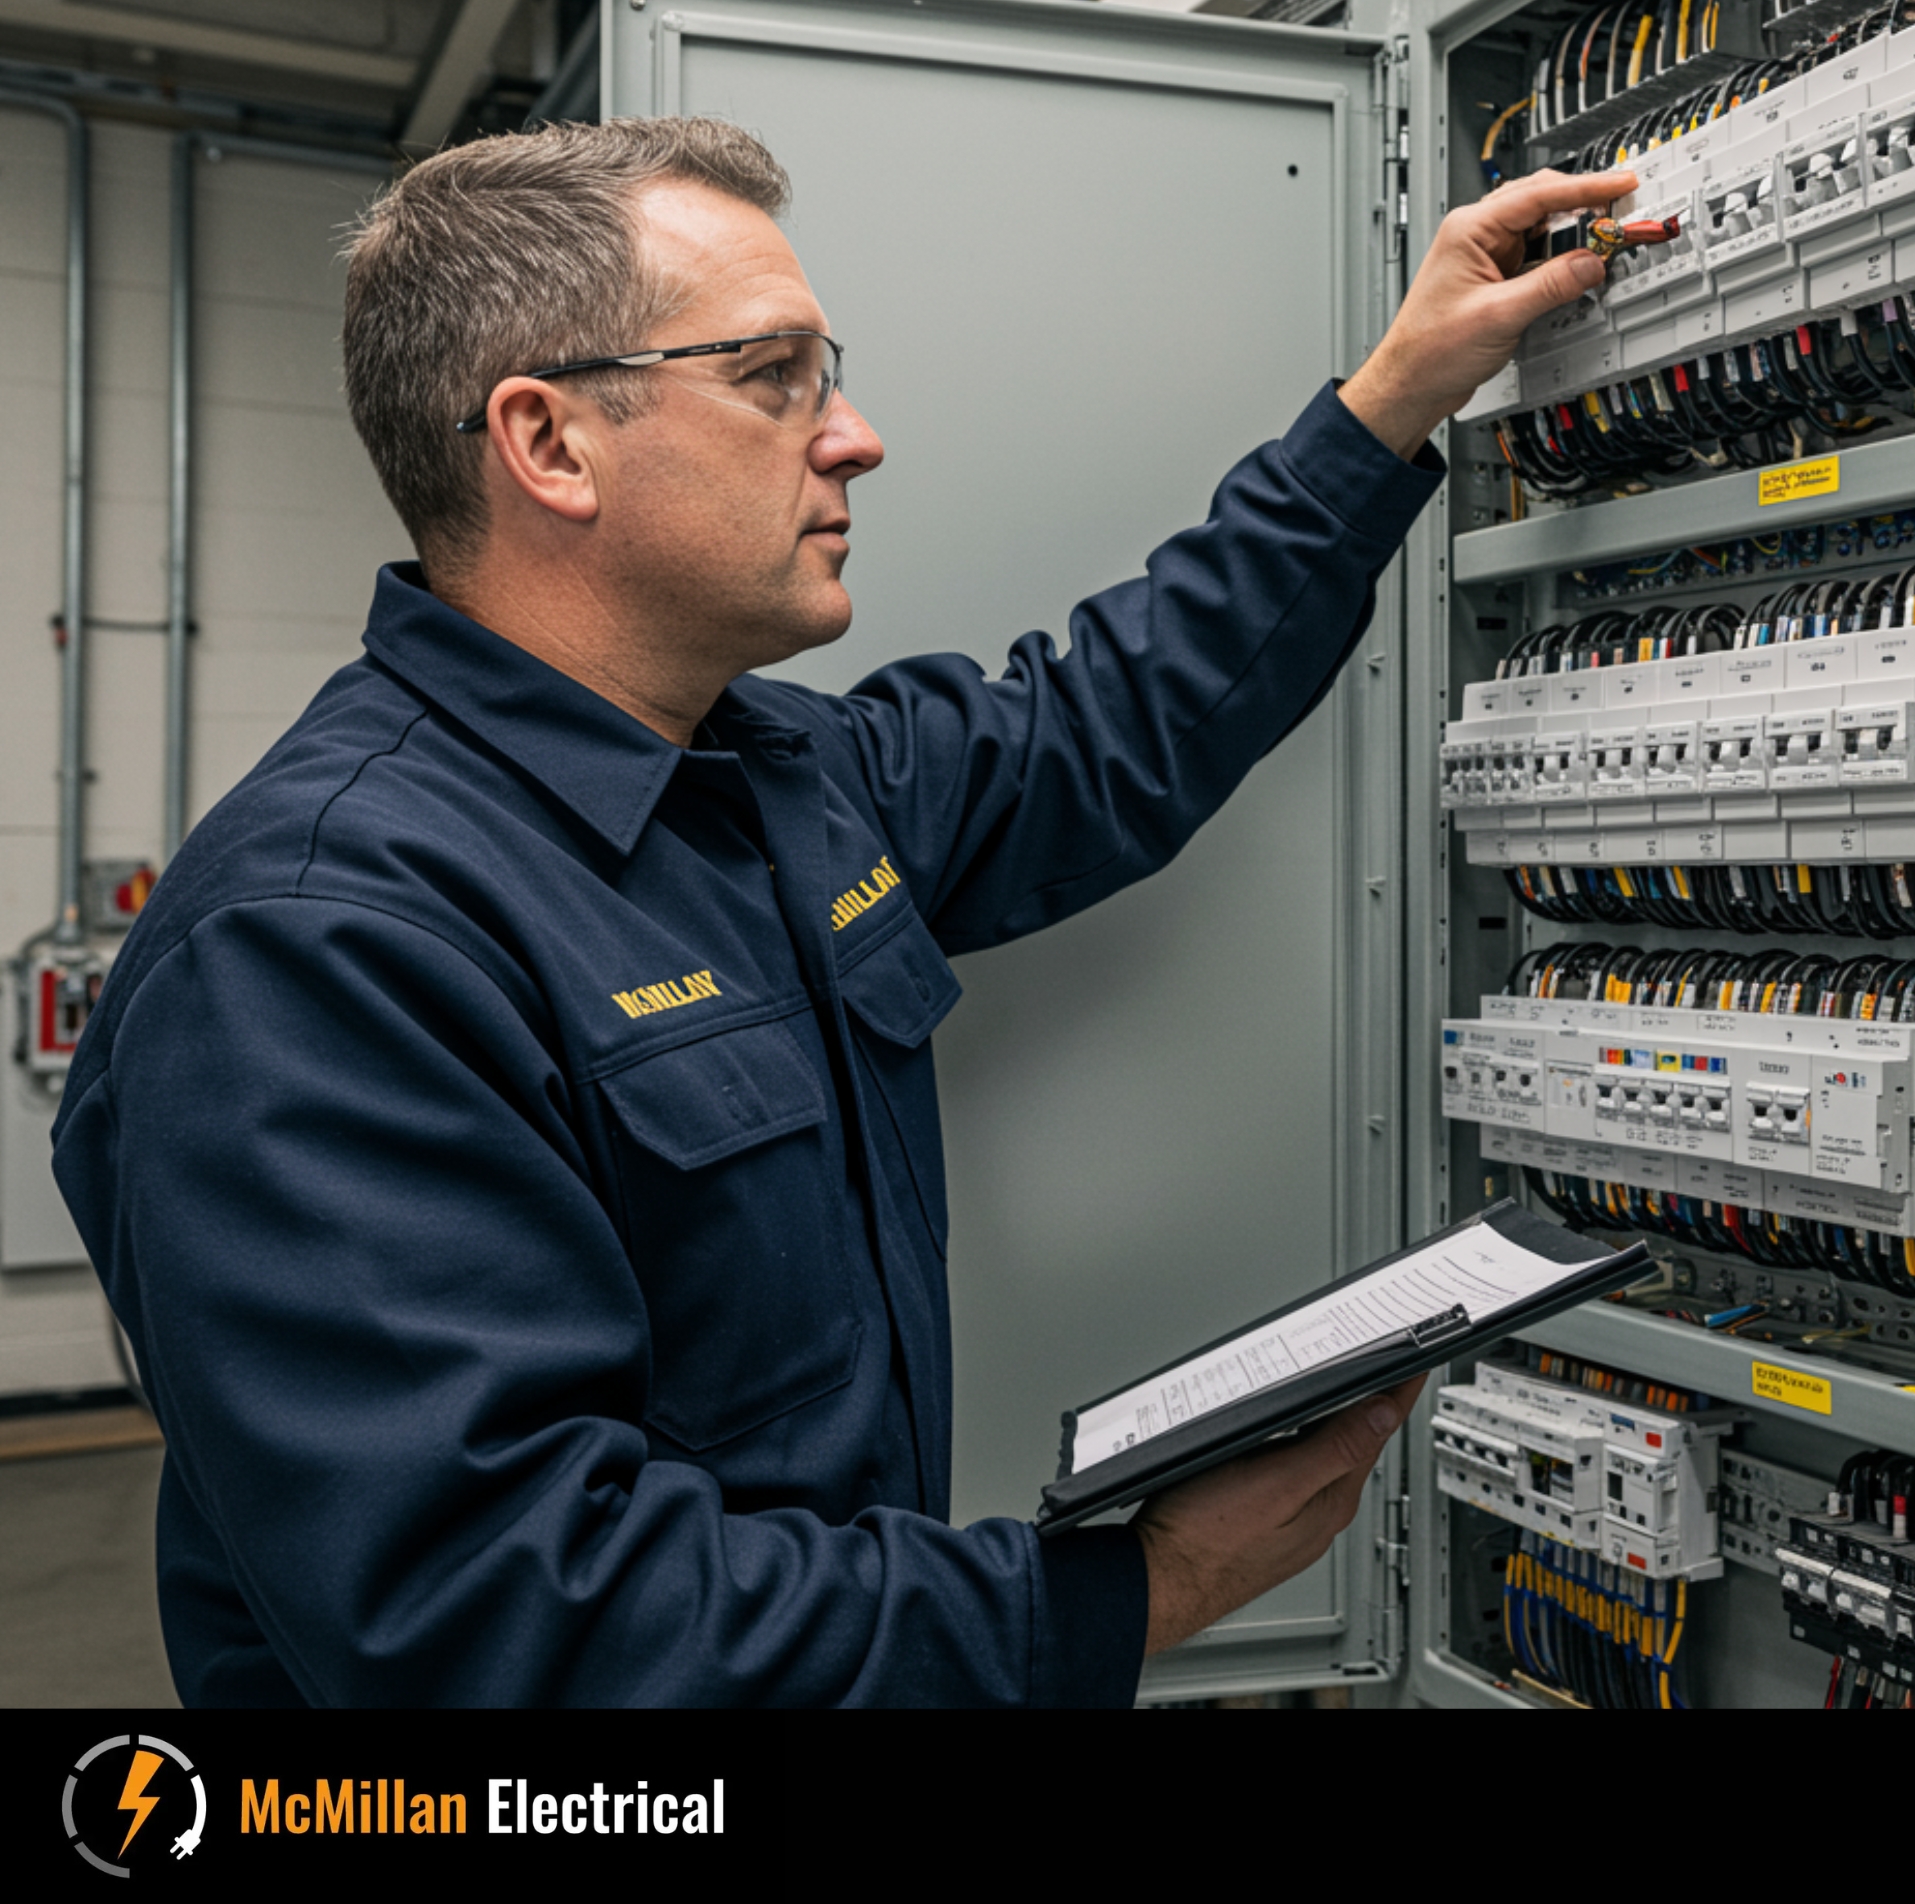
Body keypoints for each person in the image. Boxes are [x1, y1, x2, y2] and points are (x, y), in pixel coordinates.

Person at [53, 116, 1632, 1707]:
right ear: (549, 445)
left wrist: (1391, 405)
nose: (854, 434)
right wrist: (1137, 1590)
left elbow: (1106, 728)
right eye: (772, 375)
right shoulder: (316, 944)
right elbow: (510, 1633)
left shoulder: (780, 775)